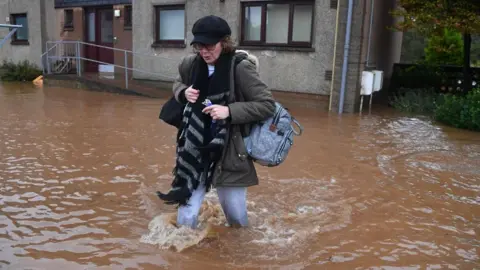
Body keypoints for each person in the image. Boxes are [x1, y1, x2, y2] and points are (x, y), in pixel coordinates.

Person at [156, 15, 275, 229]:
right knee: (186, 218)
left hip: (229, 151)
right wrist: (183, 92)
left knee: (237, 220)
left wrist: (228, 111)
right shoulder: (190, 64)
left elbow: (267, 105)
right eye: (199, 45)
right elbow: (177, 82)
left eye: (209, 45)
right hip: (194, 150)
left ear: (224, 43)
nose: (204, 51)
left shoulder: (240, 68)